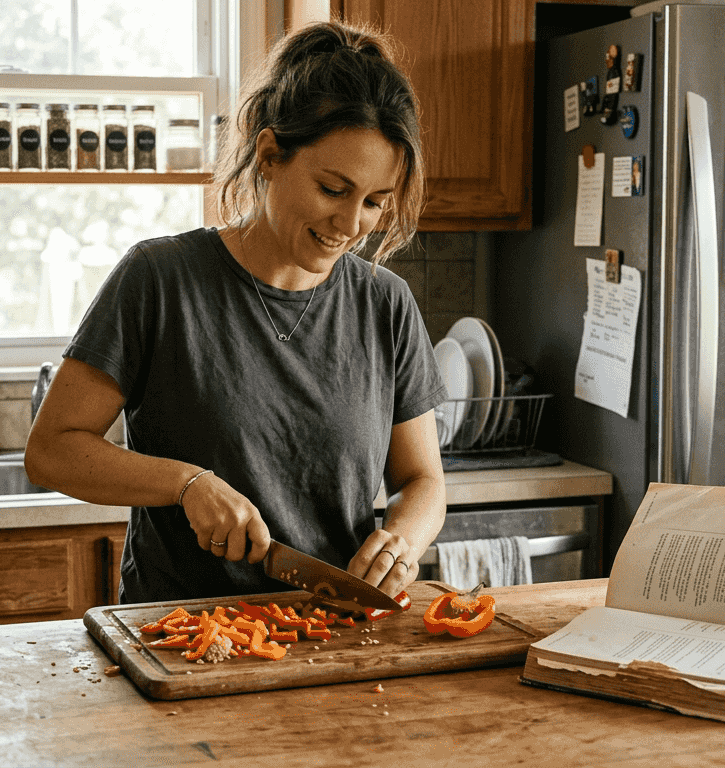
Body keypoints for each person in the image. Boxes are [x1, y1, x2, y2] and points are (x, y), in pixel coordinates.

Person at [25, 21, 446, 605]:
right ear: (270, 155)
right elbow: (51, 451)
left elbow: (421, 481)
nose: (350, 227)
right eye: (332, 189)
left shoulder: (386, 303)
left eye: (374, 202)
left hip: (332, 627)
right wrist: (184, 483)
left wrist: (403, 539)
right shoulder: (160, 279)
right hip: (178, 636)